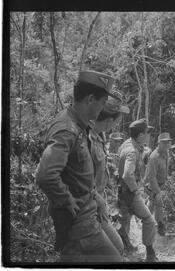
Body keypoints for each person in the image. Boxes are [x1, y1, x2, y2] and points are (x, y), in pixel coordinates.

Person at [35, 70, 123, 262]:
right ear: (90, 99)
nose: (103, 108)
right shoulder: (67, 129)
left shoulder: (79, 125)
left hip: (87, 217)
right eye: (102, 102)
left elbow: (78, 174)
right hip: (79, 225)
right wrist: (66, 199)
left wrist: (94, 195)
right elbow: (45, 175)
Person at [89, 91, 129, 255]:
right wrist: (100, 202)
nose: (116, 125)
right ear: (108, 121)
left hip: (98, 203)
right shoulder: (87, 140)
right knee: (115, 250)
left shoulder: (100, 136)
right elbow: (80, 180)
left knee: (116, 247)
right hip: (90, 207)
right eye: (116, 121)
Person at [117, 118, 158, 262]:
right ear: (140, 135)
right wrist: (135, 189)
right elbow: (127, 174)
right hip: (129, 192)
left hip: (121, 190)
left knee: (124, 222)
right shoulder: (133, 151)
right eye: (147, 133)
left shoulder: (127, 144)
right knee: (149, 220)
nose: (148, 136)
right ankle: (150, 253)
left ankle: (124, 253)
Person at [144, 132, 172, 236]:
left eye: (167, 143)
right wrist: (158, 191)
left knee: (155, 204)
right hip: (151, 184)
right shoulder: (154, 157)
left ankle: (155, 223)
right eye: (164, 143)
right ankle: (156, 224)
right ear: (159, 143)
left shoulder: (165, 153)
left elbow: (166, 168)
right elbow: (151, 177)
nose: (166, 145)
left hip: (161, 183)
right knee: (157, 201)